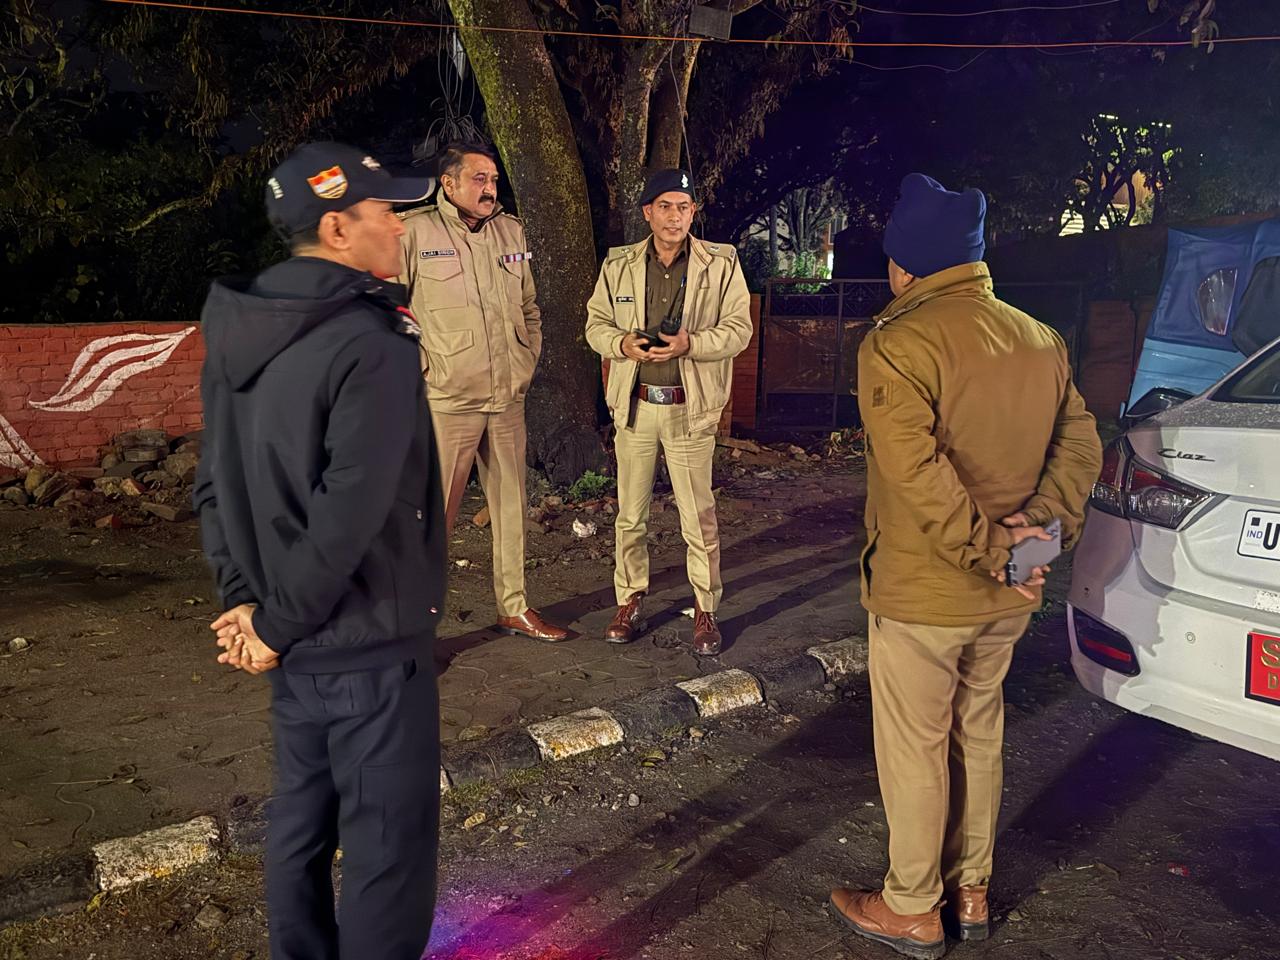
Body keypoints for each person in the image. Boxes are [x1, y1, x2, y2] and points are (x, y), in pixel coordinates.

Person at [827, 174, 1103, 959]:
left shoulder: (896, 342)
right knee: (978, 731)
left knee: (916, 744)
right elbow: (1082, 448)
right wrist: (1031, 551)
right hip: (1012, 591)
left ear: (904, 265)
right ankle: (969, 890)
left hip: (927, 590)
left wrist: (996, 554)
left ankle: (912, 906)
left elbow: (918, 477)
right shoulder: (1040, 338)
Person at [194, 141, 446, 960]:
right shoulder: (373, 341)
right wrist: (270, 623)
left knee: (300, 827)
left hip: (291, 644)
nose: (400, 229)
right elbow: (353, 509)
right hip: (366, 639)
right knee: (386, 852)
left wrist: (248, 605)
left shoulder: (240, 327)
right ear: (337, 228)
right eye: (385, 214)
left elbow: (213, 485)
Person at [396, 140, 568, 643]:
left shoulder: (510, 231)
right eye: (479, 179)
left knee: (511, 509)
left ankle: (514, 608)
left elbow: (529, 306)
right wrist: (426, 368)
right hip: (449, 400)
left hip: (507, 397)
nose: (490, 188)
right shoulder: (414, 232)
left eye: (493, 180)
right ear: (448, 183)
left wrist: (527, 357)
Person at [584, 169, 753, 656]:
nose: (674, 216)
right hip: (636, 408)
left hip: (689, 409)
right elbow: (595, 324)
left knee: (698, 518)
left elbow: (739, 330)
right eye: (664, 206)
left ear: (693, 212)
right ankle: (629, 600)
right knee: (630, 516)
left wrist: (690, 344)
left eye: (683, 206)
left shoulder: (720, 263)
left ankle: (705, 608)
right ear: (648, 212)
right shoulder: (619, 264)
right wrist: (621, 343)